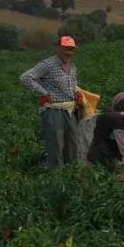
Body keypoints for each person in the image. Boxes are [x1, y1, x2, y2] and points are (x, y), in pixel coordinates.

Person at [20, 36, 80, 168]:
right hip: (53, 110)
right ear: (58, 48)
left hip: (70, 109)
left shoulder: (72, 67)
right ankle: (56, 175)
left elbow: (73, 84)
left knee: (73, 142)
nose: (68, 52)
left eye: (71, 49)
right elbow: (26, 77)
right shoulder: (48, 64)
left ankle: (72, 172)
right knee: (56, 143)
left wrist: (77, 94)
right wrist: (43, 93)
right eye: (65, 48)